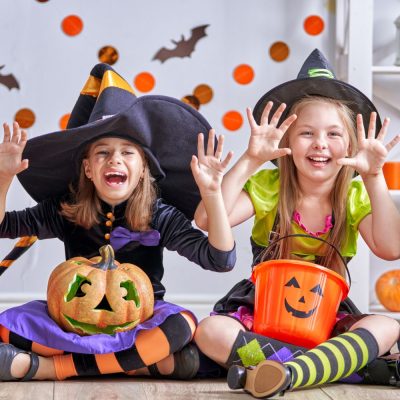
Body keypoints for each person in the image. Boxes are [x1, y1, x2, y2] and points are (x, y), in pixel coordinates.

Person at [0, 63, 236, 381]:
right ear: (86, 168)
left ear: (142, 170)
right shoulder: (65, 208)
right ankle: (145, 365)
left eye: (128, 152)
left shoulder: (158, 214)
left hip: (142, 322)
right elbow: (4, 226)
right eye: (103, 153)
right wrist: (3, 177)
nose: (115, 160)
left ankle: (51, 368)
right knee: (6, 324)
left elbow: (220, 259)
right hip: (72, 322)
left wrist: (211, 194)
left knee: (182, 326)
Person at [193, 49, 400, 398]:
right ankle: (339, 369)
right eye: (307, 133)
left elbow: (391, 248)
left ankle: (279, 371)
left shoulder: (352, 195)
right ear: (287, 140)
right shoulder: (269, 188)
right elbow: (206, 219)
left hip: (327, 317)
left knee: (386, 325)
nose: (320, 143)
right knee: (210, 331)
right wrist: (249, 158)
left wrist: (375, 177)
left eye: (334, 134)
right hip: (262, 315)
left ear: (350, 142)